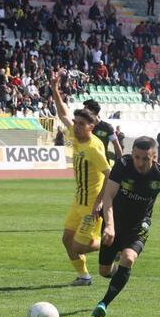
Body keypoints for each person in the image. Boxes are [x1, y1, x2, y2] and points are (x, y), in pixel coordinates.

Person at [91, 136, 160, 317]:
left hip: (139, 225)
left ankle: (104, 303)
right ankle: (120, 272)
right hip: (115, 221)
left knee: (128, 258)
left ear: (154, 157)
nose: (140, 162)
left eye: (145, 158)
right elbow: (109, 196)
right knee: (104, 271)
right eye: (137, 157)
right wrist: (110, 226)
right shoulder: (123, 165)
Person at [52, 71, 111, 286]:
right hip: (78, 200)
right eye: (76, 123)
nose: (76, 126)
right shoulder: (76, 138)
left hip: (91, 206)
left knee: (77, 246)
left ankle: (112, 244)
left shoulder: (94, 147)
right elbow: (62, 114)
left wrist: (99, 203)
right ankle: (84, 276)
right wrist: (54, 89)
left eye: (81, 124)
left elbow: (109, 175)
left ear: (91, 127)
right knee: (67, 239)